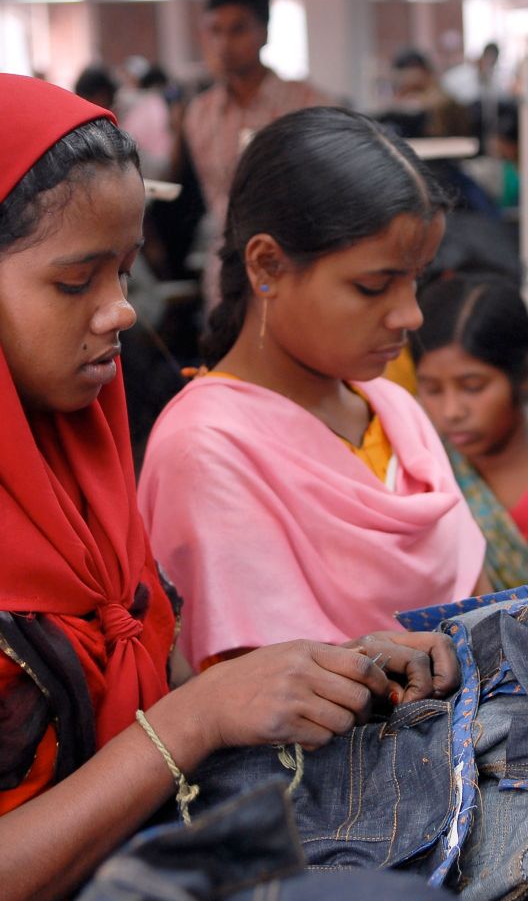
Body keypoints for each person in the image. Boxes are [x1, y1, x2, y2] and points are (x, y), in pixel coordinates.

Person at [0, 73, 459, 901]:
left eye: (124, 272)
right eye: (75, 282)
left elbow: (145, 681)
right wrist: (197, 720)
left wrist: (323, 672)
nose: (122, 311)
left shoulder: (70, 471)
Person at [138, 106, 489, 674]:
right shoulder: (206, 448)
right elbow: (259, 697)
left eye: (415, 279)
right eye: (373, 285)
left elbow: (479, 610)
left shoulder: (396, 410)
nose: (410, 314)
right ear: (267, 265)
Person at [181, 0, 332, 308]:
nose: (224, 44)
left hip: (298, 262)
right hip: (227, 269)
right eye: (215, 31)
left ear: (264, 32)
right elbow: (213, 197)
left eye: (238, 29)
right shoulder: (200, 114)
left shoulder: (309, 104)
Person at [411, 275, 528, 591]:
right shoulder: (422, 481)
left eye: (473, 387)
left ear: (522, 375)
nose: (452, 411)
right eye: (432, 389)